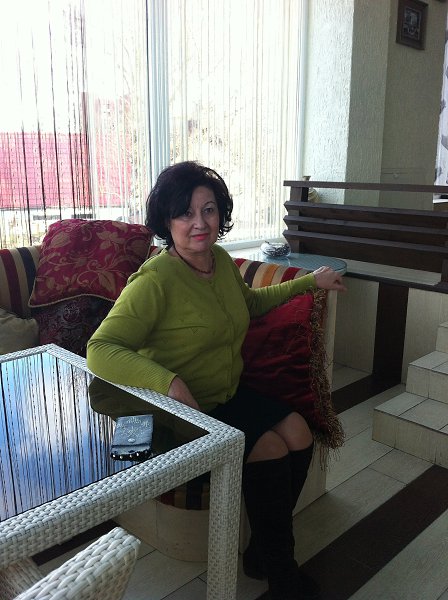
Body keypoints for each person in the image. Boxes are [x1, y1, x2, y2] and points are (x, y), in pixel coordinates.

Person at [87, 161, 346, 600]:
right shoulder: (155, 280)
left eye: (208, 210)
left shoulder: (219, 261)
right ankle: (282, 573)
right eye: (185, 213)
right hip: (181, 412)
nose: (199, 223)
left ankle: (261, 552)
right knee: (269, 446)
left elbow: (250, 304)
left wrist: (308, 283)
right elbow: (100, 348)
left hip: (226, 395)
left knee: (300, 432)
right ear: (167, 221)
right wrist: (168, 381)